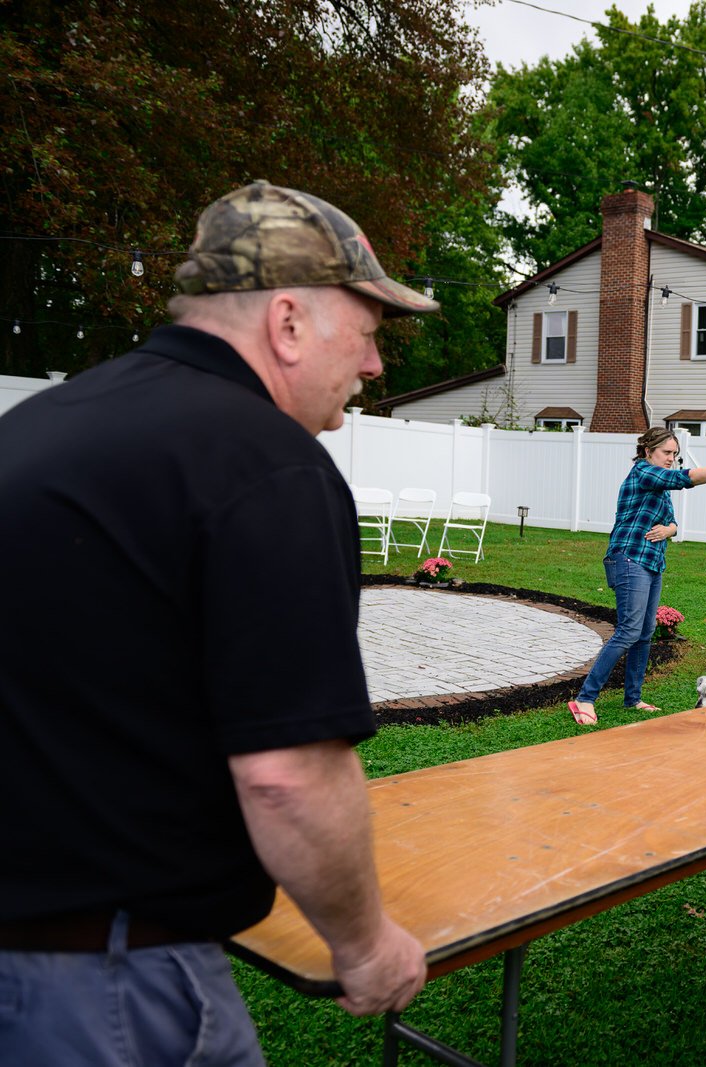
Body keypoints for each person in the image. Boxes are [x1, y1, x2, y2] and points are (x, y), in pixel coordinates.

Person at [0, 181, 432, 1063]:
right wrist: (367, 944)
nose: (375, 364)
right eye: (370, 331)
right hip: (106, 984)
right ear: (288, 322)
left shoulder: (38, 429)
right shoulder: (268, 467)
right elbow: (287, 772)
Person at [568, 427, 706, 725]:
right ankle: (584, 699)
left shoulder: (657, 484)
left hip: (651, 563)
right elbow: (685, 480)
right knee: (629, 631)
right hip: (630, 559)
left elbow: (671, 520)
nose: (671, 459)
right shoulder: (643, 472)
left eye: (674, 454)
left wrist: (671, 529)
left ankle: (633, 698)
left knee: (644, 633)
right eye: (666, 453)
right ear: (647, 451)